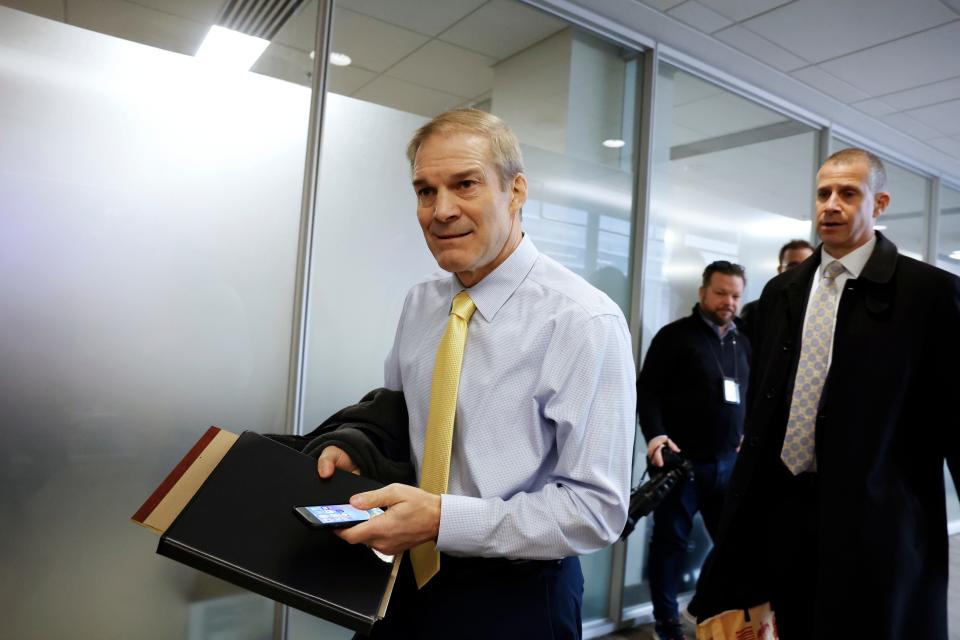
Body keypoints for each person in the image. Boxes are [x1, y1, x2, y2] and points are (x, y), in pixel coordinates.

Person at [313, 108, 637, 639]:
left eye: (465, 184)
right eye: (424, 191)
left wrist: (444, 520)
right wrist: (359, 449)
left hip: (517, 597)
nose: (441, 211)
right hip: (402, 579)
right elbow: (398, 419)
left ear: (516, 191)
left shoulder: (583, 321)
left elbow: (597, 509)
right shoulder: (421, 302)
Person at [689, 148, 960, 639]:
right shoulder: (782, 293)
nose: (831, 205)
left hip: (876, 518)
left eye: (847, 193)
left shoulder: (931, 294)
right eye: (823, 193)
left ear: (878, 204)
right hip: (787, 510)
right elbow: (770, 401)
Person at [637, 261, 751, 640]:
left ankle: (703, 609)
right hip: (682, 464)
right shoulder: (675, 337)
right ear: (703, 293)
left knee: (734, 545)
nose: (728, 302)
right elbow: (648, 391)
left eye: (735, 295)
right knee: (671, 543)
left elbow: (749, 395)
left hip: (728, 464)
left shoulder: (742, 341)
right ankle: (666, 622)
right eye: (721, 293)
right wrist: (655, 437)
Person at [738, 239, 814, 339]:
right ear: (780, 270)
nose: (800, 272)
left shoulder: (822, 312)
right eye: (793, 267)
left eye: (806, 266)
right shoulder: (755, 311)